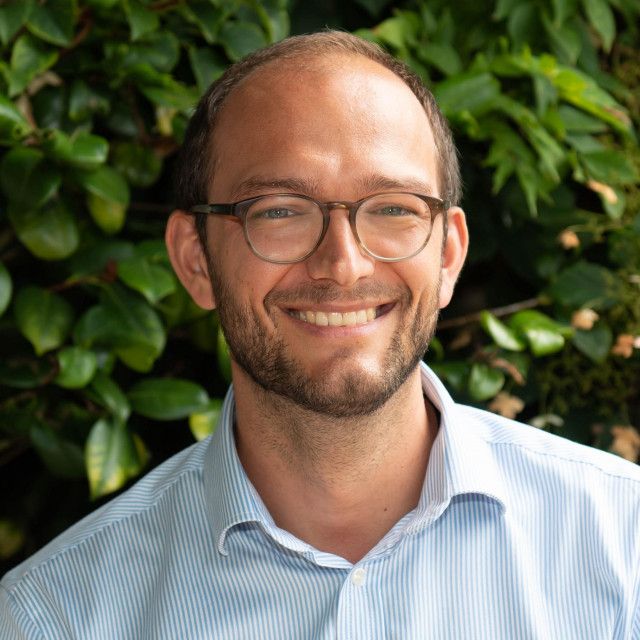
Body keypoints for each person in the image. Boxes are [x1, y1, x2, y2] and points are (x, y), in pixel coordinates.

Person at [1, 30, 639, 639]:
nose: (344, 265)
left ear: (448, 255)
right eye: (280, 210)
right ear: (195, 260)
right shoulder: (55, 618)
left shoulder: (625, 550)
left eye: (393, 208)